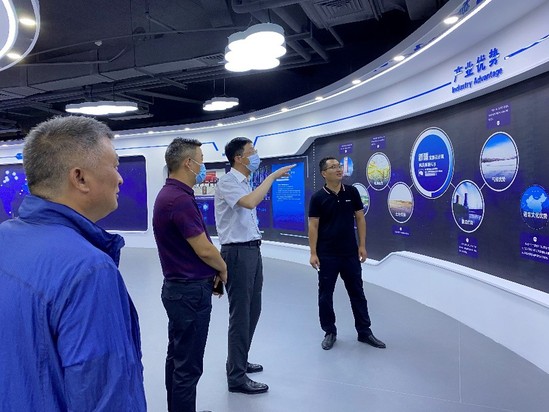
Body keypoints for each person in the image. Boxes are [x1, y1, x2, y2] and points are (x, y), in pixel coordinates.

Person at [0, 116, 146, 411]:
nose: (120, 179)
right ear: (79, 178)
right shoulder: (89, 270)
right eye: (114, 166)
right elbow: (105, 397)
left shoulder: (5, 237)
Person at [215, 137, 295, 394]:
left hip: (251, 250)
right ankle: (236, 377)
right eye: (252, 151)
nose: (256, 154)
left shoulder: (244, 182)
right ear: (239, 158)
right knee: (241, 315)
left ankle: (238, 361)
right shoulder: (228, 182)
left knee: (253, 310)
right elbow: (249, 203)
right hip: (237, 254)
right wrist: (271, 178)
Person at [153, 138, 227, 412]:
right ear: (188, 163)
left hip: (178, 290)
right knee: (188, 366)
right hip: (190, 294)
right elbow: (204, 249)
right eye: (201, 160)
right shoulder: (180, 200)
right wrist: (223, 268)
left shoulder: (169, 195)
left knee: (177, 358)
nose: (203, 166)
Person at [308, 156, 386, 351]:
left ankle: (364, 331)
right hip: (327, 254)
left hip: (350, 253)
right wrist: (313, 252)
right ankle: (330, 331)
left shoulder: (352, 192)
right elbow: (313, 225)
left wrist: (362, 245)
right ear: (324, 173)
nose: (338, 169)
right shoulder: (318, 198)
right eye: (333, 167)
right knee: (325, 295)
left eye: (339, 166)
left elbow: (360, 218)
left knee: (357, 293)